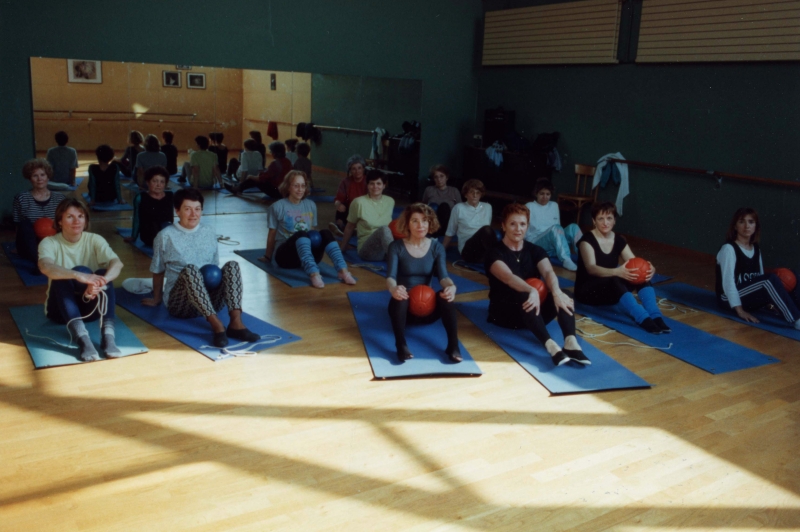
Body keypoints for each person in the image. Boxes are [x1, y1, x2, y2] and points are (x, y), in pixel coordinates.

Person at [145, 188, 260, 347]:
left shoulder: (209, 231)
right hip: (181, 304)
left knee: (232, 265)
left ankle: (236, 323)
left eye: (197, 209)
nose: (194, 214)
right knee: (191, 270)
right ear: (177, 211)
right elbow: (157, 270)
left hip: (211, 301)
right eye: (188, 209)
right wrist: (156, 299)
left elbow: (215, 269)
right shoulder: (165, 236)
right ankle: (217, 326)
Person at [486, 203, 589, 366]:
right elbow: (508, 277)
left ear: (527, 226)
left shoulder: (535, 250)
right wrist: (531, 290)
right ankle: (551, 345)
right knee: (525, 294)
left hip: (534, 313)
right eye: (512, 224)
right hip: (504, 313)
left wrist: (556, 292)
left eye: (522, 224)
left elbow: (548, 272)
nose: (518, 229)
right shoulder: (494, 252)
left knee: (565, 294)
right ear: (504, 226)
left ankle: (570, 342)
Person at [38, 198, 124, 361]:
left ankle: (108, 336)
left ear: (86, 220)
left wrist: (100, 281)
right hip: (59, 311)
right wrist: (80, 275)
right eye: (70, 216)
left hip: (90, 308)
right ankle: (83, 339)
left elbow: (117, 263)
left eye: (81, 216)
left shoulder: (94, 239)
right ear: (60, 221)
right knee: (64, 274)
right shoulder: (49, 242)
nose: (76, 221)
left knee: (103, 271)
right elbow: (45, 266)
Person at [575, 202, 667, 334]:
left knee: (640, 275)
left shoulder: (618, 240)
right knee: (615, 278)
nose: (605, 223)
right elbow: (591, 268)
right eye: (601, 218)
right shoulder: (586, 240)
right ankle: (643, 318)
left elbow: (635, 263)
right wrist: (617, 272)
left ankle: (656, 317)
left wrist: (649, 268)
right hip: (588, 292)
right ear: (594, 221)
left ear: (614, 221)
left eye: (609, 218)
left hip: (611, 290)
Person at [386, 204, 462, 363]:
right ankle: (401, 345)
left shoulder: (437, 247)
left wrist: (451, 286)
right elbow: (391, 277)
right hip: (404, 310)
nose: (420, 225)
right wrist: (394, 289)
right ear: (407, 224)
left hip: (427, 310)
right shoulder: (396, 247)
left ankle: (453, 346)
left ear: (430, 223)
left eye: (425, 221)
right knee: (401, 298)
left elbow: (443, 277)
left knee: (446, 297)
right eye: (415, 221)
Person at [261, 171, 356, 288]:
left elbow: (312, 230)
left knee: (325, 233)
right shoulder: (277, 207)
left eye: (303, 185)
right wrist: (267, 257)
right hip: (286, 257)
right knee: (301, 234)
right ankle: (314, 273)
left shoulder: (311, 205)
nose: (300, 189)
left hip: (307, 255)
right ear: (288, 187)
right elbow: (272, 233)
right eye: (296, 185)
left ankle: (343, 271)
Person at [716, 207, 800, 329]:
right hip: (728, 300)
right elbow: (728, 283)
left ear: (756, 226)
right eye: (741, 221)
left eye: (751, 222)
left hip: (748, 297)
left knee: (793, 275)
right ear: (735, 226)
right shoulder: (729, 249)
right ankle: (796, 320)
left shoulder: (756, 248)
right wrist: (740, 311)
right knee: (769, 279)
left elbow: (759, 277)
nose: (747, 226)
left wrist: (772, 301)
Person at [12, 159, 66, 265]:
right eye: (35, 176)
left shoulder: (60, 198)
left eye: (42, 175)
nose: (39, 179)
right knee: (24, 224)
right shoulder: (21, 198)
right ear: (29, 178)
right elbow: (18, 226)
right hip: (31, 245)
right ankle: (40, 263)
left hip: (52, 243)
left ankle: (50, 257)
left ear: (48, 176)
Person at [524, 179, 581, 271]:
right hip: (537, 243)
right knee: (555, 228)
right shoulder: (529, 206)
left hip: (554, 245)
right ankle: (566, 259)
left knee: (573, 227)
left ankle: (584, 255)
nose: (545, 197)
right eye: (542, 193)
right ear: (536, 193)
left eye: (548, 194)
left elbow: (558, 228)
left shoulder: (554, 205)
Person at [340, 170, 395, 261]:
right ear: (367, 185)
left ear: (384, 185)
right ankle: (396, 262)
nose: (375, 186)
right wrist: (342, 249)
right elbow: (350, 227)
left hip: (384, 248)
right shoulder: (358, 202)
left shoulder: (390, 201)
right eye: (372, 184)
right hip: (367, 250)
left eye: (378, 183)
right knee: (384, 229)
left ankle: (397, 258)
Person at [442, 179, 496, 263]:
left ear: (481, 194)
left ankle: (495, 259)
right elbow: (450, 231)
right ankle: (495, 259)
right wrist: (441, 251)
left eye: (478, 192)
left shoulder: (488, 207)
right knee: (487, 230)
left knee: (489, 232)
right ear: (466, 194)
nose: (475, 195)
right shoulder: (458, 208)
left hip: (482, 248)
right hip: (467, 250)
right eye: (472, 192)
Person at [125, 166, 174, 247]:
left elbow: (171, 217)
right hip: (149, 233)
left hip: (165, 230)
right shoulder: (140, 197)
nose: (158, 185)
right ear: (148, 182)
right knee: (154, 225)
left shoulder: (170, 196)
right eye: (154, 181)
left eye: (162, 182)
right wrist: (134, 236)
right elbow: (137, 218)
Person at [329, 155, 368, 235]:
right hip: (350, 210)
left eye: (359, 168)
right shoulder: (345, 182)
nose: (357, 171)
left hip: (364, 211)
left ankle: (353, 228)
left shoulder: (368, 181)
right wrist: (338, 205)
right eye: (354, 169)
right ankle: (341, 227)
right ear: (350, 170)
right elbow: (339, 198)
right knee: (342, 206)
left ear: (363, 168)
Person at [421, 165, 461, 236]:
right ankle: (434, 231)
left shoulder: (454, 191)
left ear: (447, 177)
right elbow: (423, 207)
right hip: (433, 222)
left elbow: (460, 210)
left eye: (441, 176)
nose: (439, 179)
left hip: (448, 224)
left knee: (444, 206)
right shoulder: (429, 190)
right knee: (433, 206)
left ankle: (437, 233)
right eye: (436, 177)